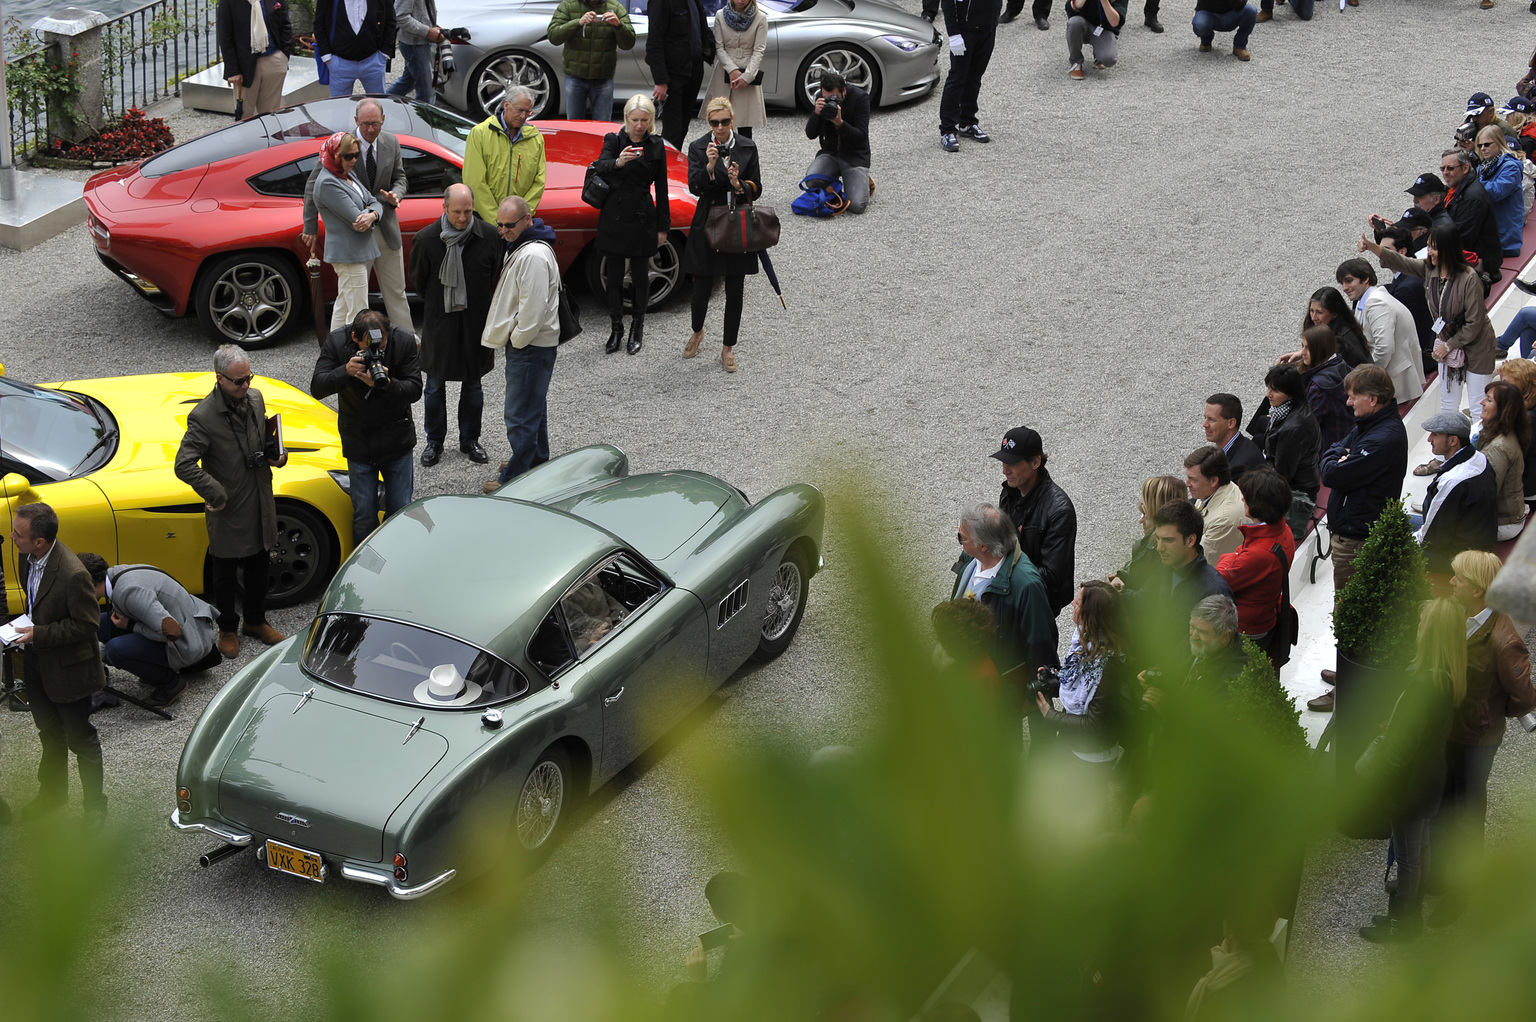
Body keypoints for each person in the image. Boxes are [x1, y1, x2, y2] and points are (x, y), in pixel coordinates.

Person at [1431, 551, 1536, 926]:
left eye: (1459, 577)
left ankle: (1461, 893)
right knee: (1444, 805)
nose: (1453, 580)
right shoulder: (1458, 614)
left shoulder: (1504, 641)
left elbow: (1525, 696)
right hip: (1449, 732)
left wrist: (1487, 713)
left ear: (1476, 589)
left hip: (1476, 741)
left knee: (1468, 816)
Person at [1354, 598, 1463, 943]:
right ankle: (1406, 919)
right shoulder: (1449, 678)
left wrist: (1380, 783)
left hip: (1409, 787)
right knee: (1421, 851)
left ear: (1429, 635)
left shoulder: (1424, 685)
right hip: (1430, 779)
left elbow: (1400, 751)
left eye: (1421, 625)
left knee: (1408, 859)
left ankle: (1404, 924)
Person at [174, 346, 288, 658]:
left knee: (259, 566)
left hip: (260, 498)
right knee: (224, 574)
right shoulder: (203, 416)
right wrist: (216, 493)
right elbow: (183, 465)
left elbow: (265, 435)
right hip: (229, 507)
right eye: (238, 381)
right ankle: (227, 628)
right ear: (219, 379)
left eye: (248, 378)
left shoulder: (254, 398)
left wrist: (277, 453)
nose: (246, 386)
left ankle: (255, 620)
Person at [8, 503, 107, 821]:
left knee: (80, 738)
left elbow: (88, 624)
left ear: (40, 541)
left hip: (69, 670)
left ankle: (94, 807)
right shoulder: (29, 558)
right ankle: (52, 795)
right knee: (49, 732)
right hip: (37, 662)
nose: (11, 537)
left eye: (17, 534)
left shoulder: (73, 574)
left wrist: (39, 633)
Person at [311, 309, 424, 545]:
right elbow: (318, 387)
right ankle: (363, 569)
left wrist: (387, 384)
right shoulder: (337, 341)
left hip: (396, 441)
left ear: (389, 332)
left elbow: (414, 390)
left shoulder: (402, 341)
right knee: (364, 513)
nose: (377, 351)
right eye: (369, 346)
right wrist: (346, 371)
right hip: (359, 442)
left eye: (381, 344)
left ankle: (397, 561)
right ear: (354, 337)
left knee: (400, 510)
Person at [409, 183, 502, 468]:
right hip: (440, 324)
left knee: (473, 386)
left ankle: (470, 440)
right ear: (445, 208)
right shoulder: (426, 240)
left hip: (475, 325)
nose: (463, 218)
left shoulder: (488, 236)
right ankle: (434, 441)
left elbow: (494, 276)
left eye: (468, 211)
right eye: (457, 212)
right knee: (435, 386)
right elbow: (419, 281)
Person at [1362, 224, 1497, 421]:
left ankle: (1478, 450)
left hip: (1476, 347)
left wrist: (1449, 346)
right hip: (1447, 344)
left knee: (1478, 408)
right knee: (1448, 404)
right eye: (1429, 246)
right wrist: (1372, 246)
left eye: (1434, 247)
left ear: (1448, 248)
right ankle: (1447, 451)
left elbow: (1475, 323)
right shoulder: (1430, 269)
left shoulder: (1469, 279)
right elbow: (1403, 262)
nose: (1430, 252)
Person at [301, 101, 413, 333]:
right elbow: (313, 186)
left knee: (395, 292)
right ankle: (344, 350)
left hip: (385, 227)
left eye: (375, 123)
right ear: (356, 122)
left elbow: (400, 178)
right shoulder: (341, 146)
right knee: (352, 300)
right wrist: (310, 227)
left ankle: (406, 342)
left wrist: (396, 195)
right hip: (357, 235)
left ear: (383, 120)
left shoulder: (391, 142)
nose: (370, 129)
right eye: (365, 124)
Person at [482, 195, 561, 491]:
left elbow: (532, 309)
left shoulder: (532, 256)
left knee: (520, 413)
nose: (503, 230)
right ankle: (535, 462)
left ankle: (516, 477)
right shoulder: (527, 247)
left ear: (528, 219)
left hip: (530, 346)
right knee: (533, 406)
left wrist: (516, 340)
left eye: (509, 225)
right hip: (533, 345)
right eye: (500, 224)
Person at [79, 554, 221, 707]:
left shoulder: (130, 591)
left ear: (90, 583)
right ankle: (150, 665)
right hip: (187, 625)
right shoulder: (116, 574)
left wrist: (131, 626)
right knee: (95, 624)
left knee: (114, 650)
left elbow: (173, 632)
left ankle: (171, 684)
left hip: (188, 642)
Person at [684, 98, 761, 373]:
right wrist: (709, 166)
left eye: (724, 122)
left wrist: (739, 184)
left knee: (735, 289)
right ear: (708, 123)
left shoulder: (747, 147)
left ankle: (728, 347)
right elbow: (694, 186)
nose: (719, 127)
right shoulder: (698, 147)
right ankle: (697, 331)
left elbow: (757, 188)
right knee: (701, 287)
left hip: (736, 220)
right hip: (708, 219)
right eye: (713, 122)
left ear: (732, 120)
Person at [593, 94, 671, 356]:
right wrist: (619, 162)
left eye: (644, 120)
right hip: (615, 212)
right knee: (613, 277)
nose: (639, 125)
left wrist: (663, 227)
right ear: (627, 118)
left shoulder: (656, 145)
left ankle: (637, 327)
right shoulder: (614, 140)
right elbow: (599, 167)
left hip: (641, 214)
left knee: (640, 277)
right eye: (635, 119)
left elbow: (661, 187)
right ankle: (616, 328)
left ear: (651, 121)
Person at [951, 504, 1058, 692]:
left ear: (983, 546)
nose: (959, 541)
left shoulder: (1026, 585)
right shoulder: (971, 560)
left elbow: (1041, 643)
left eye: (962, 538)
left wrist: (1036, 695)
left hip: (996, 690)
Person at [1124, 500, 1233, 680]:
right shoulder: (1163, 568)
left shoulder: (1214, 591)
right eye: (1158, 539)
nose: (1159, 548)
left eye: (1168, 540)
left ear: (1191, 540)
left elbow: (1215, 656)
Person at [1033, 580, 1131, 768]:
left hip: (1091, 757)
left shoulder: (1107, 664)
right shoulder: (1085, 641)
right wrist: (1053, 682)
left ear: (1090, 615)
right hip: (1072, 745)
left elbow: (1095, 724)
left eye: (1077, 603)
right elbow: (1079, 690)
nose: (1072, 604)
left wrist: (1050, 715)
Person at [991, 426, 1077, 615]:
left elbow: (1051, 576)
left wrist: (998, 573)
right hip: (1007, 595)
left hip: (1035, 607)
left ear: (1036, 462)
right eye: (1003, 462)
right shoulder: (1008, 493)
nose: (1005, 470)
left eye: (1012, 463)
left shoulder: (1059, 511)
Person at [309, 131, 387, 331]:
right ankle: (352, 357)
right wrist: (372, 214)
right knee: (359, 313)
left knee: (343, 308)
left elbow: (373, 201)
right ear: (334, 155)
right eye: (348, 156)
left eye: (356, 155)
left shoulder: (345, 174)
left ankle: (333, 354)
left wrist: (372, 214)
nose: (353, 160)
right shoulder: (328, 182)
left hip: (355, 254)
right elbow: (356, 218)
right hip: (349, 256)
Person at [1215, 468, 1295, 653]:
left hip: (1247, 628)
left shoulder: (1259, 553)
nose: (1242, 499)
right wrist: (1236, 556)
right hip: (1264, 618)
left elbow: (1221, 579)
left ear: (1258, 505)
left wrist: (1230, 556)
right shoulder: (1283, 530)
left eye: (1246, 497)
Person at [1414, 411, 1497, 580]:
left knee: (1392, 547)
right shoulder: (1479, 457)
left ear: (1453, 441)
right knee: (1401, 519)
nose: (1429, 439)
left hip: (1460, 557)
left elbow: (1430, 539)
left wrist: (1404, 541)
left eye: (1435, 435)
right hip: (1475, 539)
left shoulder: (1454, 481)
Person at [1335, 258, 1426, 404]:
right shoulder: (1366, 300)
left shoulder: (1376, 302)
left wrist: (1366, 381)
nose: (1345, 287)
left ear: (1366, 279)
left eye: (1348, 281)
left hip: (1394, 383)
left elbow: (1384, 348)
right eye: (1342, 283)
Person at [463, 89, 547, 225]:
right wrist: (498, 222)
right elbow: (475, 182)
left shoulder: (536, 139)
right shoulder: (480, 134)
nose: (523, 116)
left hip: (517, 225)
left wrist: (520, 218)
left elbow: (539, 182)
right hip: (486, 222)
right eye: (519, 110)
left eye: (528, 112)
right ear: (506, 105)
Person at [546, 0, 635, 120]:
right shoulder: (568, 5)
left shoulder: (616, 7)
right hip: (575, 77)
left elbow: (628, 44)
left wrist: (618, 25)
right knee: (574, 125)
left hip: (603, 78)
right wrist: (578, 22)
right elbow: (553, 36)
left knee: (603, 127)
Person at [645, 0, 712, 149]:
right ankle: (667, 168)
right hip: (673, 76)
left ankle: (674, 163)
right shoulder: (661, 3)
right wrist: (661, 80)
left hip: (694, 71)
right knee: (672, 131)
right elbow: (654, 42)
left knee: (683, 127)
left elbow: (701, 28)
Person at [937, 0, 999, 150]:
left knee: (975, 77)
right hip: (965, 30)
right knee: (957, 78)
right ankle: (947, 129)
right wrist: (953, 34)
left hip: (988, 27)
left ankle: (967, 122)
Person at [1109, 474, 1187, 594]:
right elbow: (1136, 568)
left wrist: (1113, 594)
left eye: (1145, 513)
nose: (1141, 520)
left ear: (1158, 510)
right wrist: (1121, 577)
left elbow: (1148, 599)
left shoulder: (1162, 553)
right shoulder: (1152, 539)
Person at [805, 71, 872, 209]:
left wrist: (840, 124)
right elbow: (810, 134)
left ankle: (863, 179)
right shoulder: (821, 98)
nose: (830, 100)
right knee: (812, 181)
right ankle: (838, 181)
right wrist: (816, 114)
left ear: (844, 90)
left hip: (855, 157)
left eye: (834, 97)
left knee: (856, 206)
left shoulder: (860, 98)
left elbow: (861, 137)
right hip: (831, 154)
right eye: (826, 97)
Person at [217, 0, 295, 118]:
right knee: (245, 116)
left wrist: (283, 56)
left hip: (273, 60)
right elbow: (225, 35)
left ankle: (270, 137)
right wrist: (233, 70)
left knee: (271, 115)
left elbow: (285, 25)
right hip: (244, 66)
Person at [1257, 365, 1321, 511]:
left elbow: (1282, 475)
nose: (1268, 394)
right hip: (1298, 479)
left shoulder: (1293, 429)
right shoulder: (1292, 408)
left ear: (1290, 393)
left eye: (1275, 390)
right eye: (1268, 388)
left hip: (1297, 493)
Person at [1377, 226, 1438, 373]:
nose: (1381, 255)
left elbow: (1396, 329)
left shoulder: (1406, 288)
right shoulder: (1407, 277)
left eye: (1386, 250)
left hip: (1417, 360)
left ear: (1402, 252)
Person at [1440, 149, 1504, 288]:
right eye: (1442, 168)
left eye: (1450, 168)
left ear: (1465, 168)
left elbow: (1461, 237)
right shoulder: (1458, 189)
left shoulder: (1472, 197)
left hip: (1481, 265)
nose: (1445, 173)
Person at [702, 0, 767, 137]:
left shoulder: (760, 17)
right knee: (719, 119)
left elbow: (759, 50)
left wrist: (747, 76)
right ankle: (718, 155)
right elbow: (719, 47)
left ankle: (745, 156)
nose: (740, 1)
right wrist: (731, 69)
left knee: (744, 123)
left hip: (748, 68)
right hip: (724, 70)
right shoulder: (720, 15)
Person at [1476, 381, 1531, 540]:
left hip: (1503, 522)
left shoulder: (1498, 447)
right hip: (1506, 515)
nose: (1482, 402)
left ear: (1504, 409)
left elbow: (1487, 493)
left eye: (1489, 400)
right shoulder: (1503, 430)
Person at [314, 0, 395, 97]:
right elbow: (319, 24)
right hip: (340, 63)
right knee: (340, 109)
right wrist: (327, 58)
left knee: (376, 106)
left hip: (373, 61)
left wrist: (384, 54)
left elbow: (390, 21)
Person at [1474, 125, 1524, 259]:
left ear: (1499, 142)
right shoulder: (1483, 167)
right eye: (1479, 145)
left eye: (1487, 144)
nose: (1483, 149)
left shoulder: (1511, 168)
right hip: (1491, 235)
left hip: (1506, 240)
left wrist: (1471, 183)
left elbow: (1496, 192)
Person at [1184, 445, 1242, 559]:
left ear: (1214, 480)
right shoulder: (1211, 492)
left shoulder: (1224, 520)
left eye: (1193, 479)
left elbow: (1198, 562)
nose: (1187, 484)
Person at [1494, 358, 1536, 510]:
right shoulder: (1527, 408)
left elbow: (1513, 458)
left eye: (1506, 383)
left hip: (1527, 490)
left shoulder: (1527, 418)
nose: (1502, 388)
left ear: (1522, 385)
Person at [389, 0, 447, 104]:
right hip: (414, 46)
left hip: (418, 43)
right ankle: (424, 118)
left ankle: (380, 105)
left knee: (407, 82)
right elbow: (400, 17)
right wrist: (428, 31)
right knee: (427, 93)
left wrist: (433, 28)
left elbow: (422, 11)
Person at [1300, 287, 1369, 368]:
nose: (1313, 317)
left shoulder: (1344, 343)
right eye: (1311, 311)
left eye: (1319, 312)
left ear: (1334, 314)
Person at [1202, 393, 1264, 480]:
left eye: (1212, 419)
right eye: (1205, 418)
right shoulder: (1236, 449)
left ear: (1231, 423)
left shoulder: (1242, 466)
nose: (1204, 424)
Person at [1064, 0, 1127, 81]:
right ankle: (1076, 62)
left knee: (1108, 59)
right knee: (1074, 22)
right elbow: (1071, 10)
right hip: (1083, 25)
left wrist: (1104, 2)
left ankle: (1098, 54)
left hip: (1105, 29)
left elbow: (1114, 23)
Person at [1191, 0, 1255, 62]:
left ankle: (1240, 46)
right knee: (1200, 26)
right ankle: (1206, 41)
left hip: (1231, 13)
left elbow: (1241, 5)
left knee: (1251, 11)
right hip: (1208, 11)